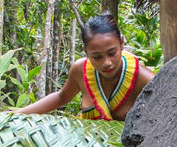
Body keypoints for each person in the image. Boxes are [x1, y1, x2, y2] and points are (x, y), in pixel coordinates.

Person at [14, 12, 154, 121]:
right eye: (97, 57)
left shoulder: (146, 80)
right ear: (85, 51)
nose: (106, 62)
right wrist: (17, 114)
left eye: (112, 53)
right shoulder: (80, 70)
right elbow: (61, 97)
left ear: (121, 43)